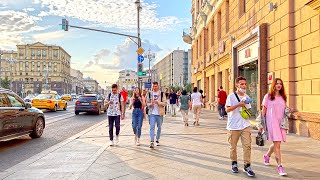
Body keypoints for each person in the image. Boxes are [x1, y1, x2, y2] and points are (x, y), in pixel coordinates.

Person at [259, 78, 291, 176]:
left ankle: (267, 156)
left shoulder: (283, 97)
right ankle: (280, 167)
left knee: (277, 144)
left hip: (281, 123)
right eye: (277, 83)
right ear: (273, 85)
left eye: (280, 84)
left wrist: (289, 110)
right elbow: (263, 111)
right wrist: (261, 125)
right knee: (277, 144)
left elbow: (284, 110)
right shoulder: (268, 96)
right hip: (271, 122)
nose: (279, 85)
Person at [225, 76, 255, 177]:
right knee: (233, 147)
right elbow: (227, 110)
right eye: (242, 84)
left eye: (245, 84)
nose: (244, 86)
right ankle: (234, 163)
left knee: (247, 146)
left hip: (245, 125)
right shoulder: (231, 96)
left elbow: (248, 110)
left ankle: (247, 166)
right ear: (236, 85)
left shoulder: (246, 96)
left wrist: (247, 103)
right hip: (233, 126)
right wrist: (238, 104)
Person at [146, 82, 167, 148]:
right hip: (152, 113)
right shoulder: (149, 94)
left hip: (159, 113)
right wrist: (150, 104)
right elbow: (147, 103)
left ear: (158, 86)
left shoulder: (162, 94)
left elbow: (165, 103)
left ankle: (157, 139)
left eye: (155, 86)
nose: (154, 87)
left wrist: (158, 102)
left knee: (159, 127)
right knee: (152, 127)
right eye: (153, 86)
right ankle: (152, 141)